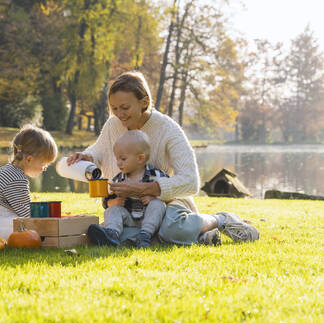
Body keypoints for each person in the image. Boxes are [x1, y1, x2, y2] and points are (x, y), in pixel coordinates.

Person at [68, 71, 258, 246]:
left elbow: (191, 181)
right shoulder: (113, 124)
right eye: (114, 108)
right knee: (118, 233)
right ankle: (201, 236)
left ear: (144, 102)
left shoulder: (168, 129)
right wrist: (87, 156)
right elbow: (99, 151)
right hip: (132, 206)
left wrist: (149, 188)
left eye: (125, 107)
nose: (119, 114)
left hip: (168, 203)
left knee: (171, 230)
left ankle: (221, 219)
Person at [87, 130, 170, 248]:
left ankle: (145, 235)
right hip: (129, 218)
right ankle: (112, 234)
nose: (118, 163)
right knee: (112, 210)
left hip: (149, 218)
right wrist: (112, 202)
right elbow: (106, 199)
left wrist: (154, 197)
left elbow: (170, 194)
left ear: (140, 158)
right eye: (117, 159)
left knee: (158, 205)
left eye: (123, 159)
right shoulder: (118, 180)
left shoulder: (156, 175)